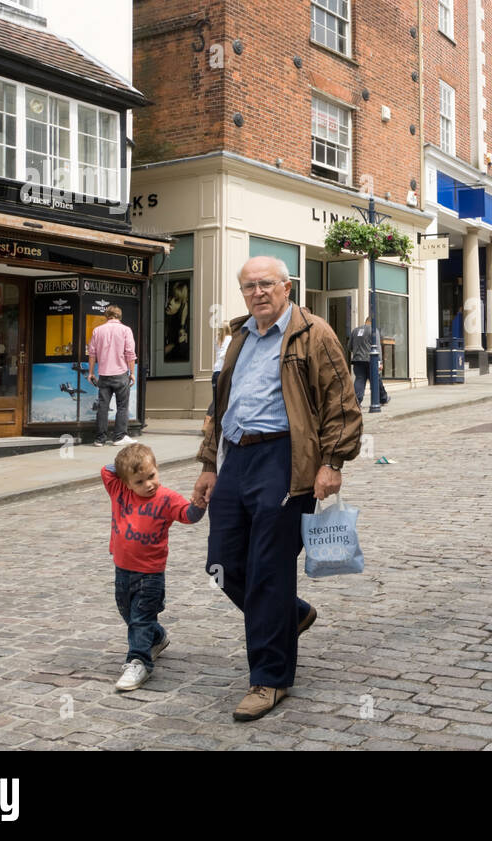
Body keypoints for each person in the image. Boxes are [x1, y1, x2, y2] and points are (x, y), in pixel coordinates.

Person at [192, 256, 363, 722]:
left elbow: (340, 401)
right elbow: (219, 403)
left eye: (267, 284)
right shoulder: (239, 336)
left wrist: (332, 461)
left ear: (287, 287)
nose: (258, 292)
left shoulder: (314, 333)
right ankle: (292, 613)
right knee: (222, 564)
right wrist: (209, 464)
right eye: (249, 286)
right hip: (235, 456)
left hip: (285, 458)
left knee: (268, 568)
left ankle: (269, 679)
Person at [103, 442, 204, 691]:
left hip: (150, 574)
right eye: (139, 481)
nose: (149, 484)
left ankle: (139, 661)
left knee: (140, 619)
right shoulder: (119, 490)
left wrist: (199, 505)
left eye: (152, 475)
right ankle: (156, 637)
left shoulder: (167, 498)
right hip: (122, 568)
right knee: (128, 613)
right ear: (126, 483)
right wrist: (126, 466)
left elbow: (187, 516)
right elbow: (107, 470)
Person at [88, 305, 137, 447]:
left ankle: (100, 439)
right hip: (121, 374)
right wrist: (132, 373)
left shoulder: (97, 331)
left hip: (103, 375)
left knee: (102, 407)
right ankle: (119, 437)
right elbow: (130, 354)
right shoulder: (126, 330)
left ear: (106, 316)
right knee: (122, 406)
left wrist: (91, 373)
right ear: (119, 316)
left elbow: (92, 354)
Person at [348, 316, 388, 409]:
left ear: (366, 321)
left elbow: (349, 347)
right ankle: (382, 398)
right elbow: (377, 347)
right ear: (373, 322)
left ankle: (356, 402)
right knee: (375, 380)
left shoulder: (355, 330)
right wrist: (380, 362)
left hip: (357, 360)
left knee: (359, 380)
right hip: (370, 360)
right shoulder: (374, 331)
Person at [203, 323, 235, 439]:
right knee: (223, 399)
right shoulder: (229, 338)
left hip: (215, 371)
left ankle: (207, 424)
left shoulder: (217, 339)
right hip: (223, 372)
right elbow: (224, 354)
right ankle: (212, 425)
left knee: (216, 399)